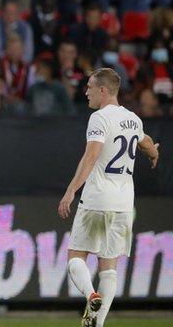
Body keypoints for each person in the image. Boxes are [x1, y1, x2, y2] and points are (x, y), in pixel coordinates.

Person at [58, 68, 160, 327]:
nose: (86, 92)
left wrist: (71, 191)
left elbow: (91, 156)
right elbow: (144, 140)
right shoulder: (133, 120)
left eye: (90, 87)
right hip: (124, 204)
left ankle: (91, 295)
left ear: (103, 91)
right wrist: (152, 152)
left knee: (75, 257)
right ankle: (97, 323)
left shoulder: (99, 118)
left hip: (97, 199)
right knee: (109, 267)